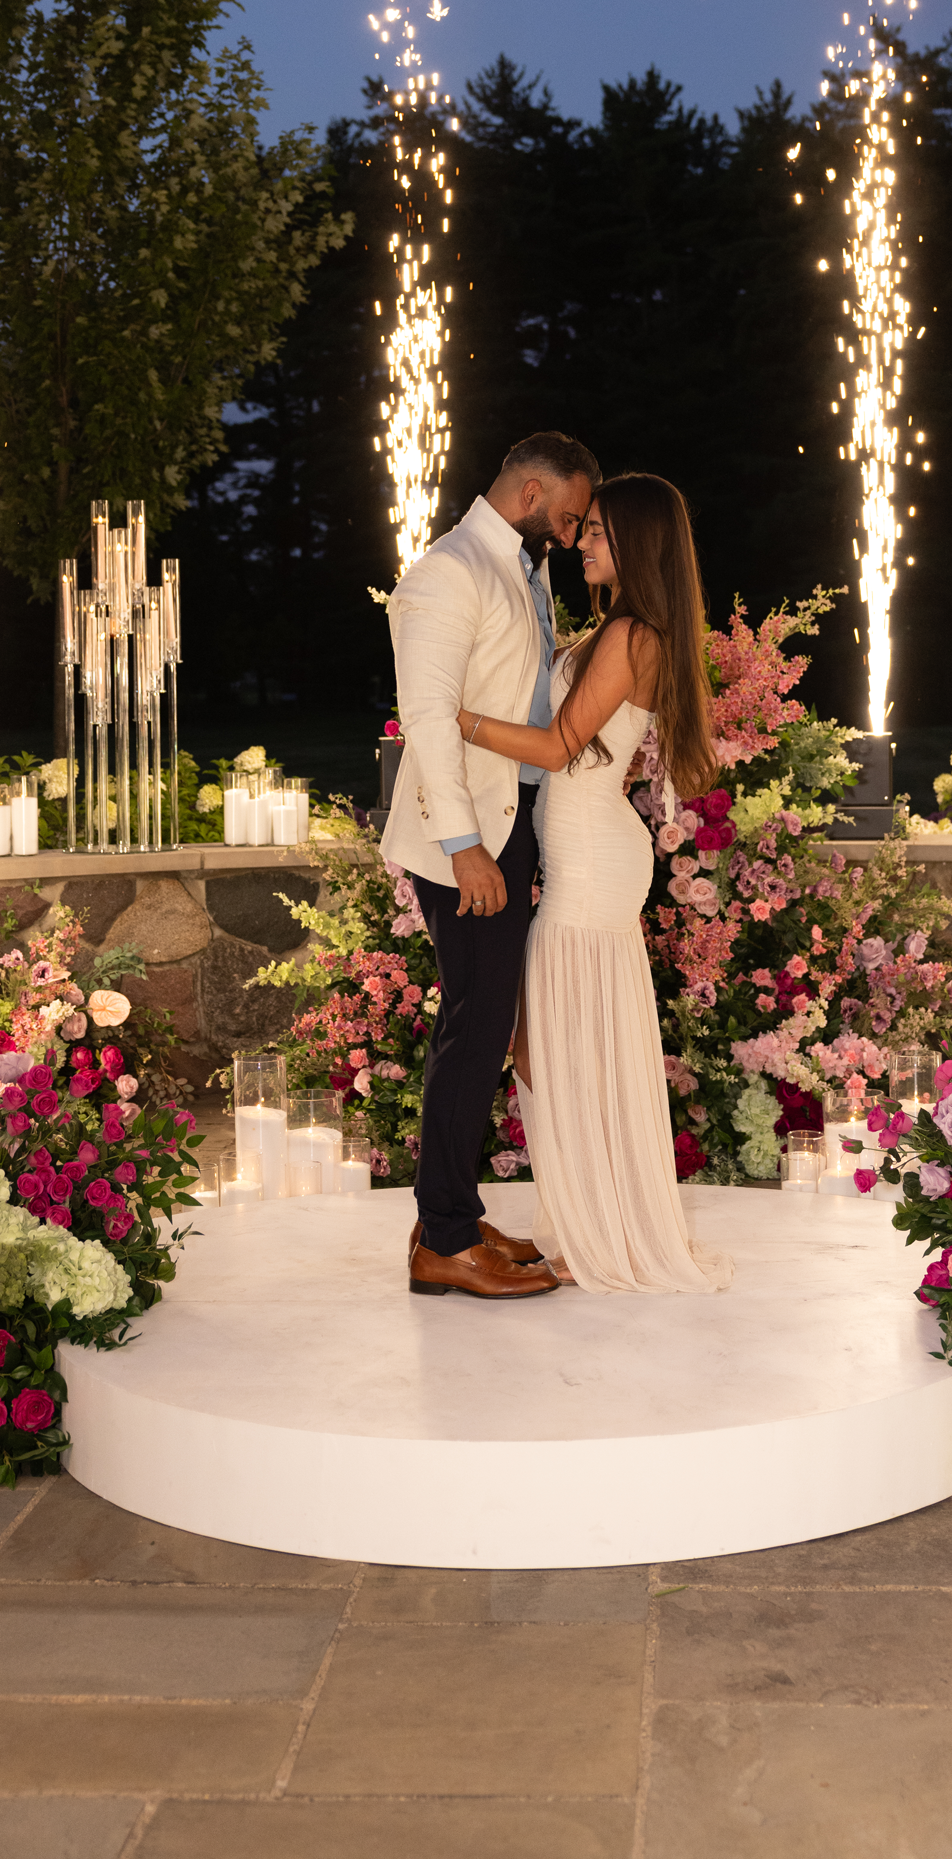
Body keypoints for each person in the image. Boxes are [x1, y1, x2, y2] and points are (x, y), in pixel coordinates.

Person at [457, 473, 731, 1294]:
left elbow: (554, 747)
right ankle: (585, 1221)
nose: (583, 542)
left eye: (602, 532)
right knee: (544, 1043)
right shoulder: (613, 630)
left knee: (556, 1042)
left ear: (639, 544)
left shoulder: (631, 634)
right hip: (580, 852)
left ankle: (598, 1232)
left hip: (588, 860)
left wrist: (451, 717)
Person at [384, 430, 601, 1300]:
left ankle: (452, 1212)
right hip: (466, 836)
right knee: (474, 1030)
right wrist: (464, 844)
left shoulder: (522, 565)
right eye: (573, 512)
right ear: (533, 487)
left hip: (507, 823)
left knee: (483, 1023)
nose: (577, 530)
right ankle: (441, 1239)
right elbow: (427, 718)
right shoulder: (449, 570)